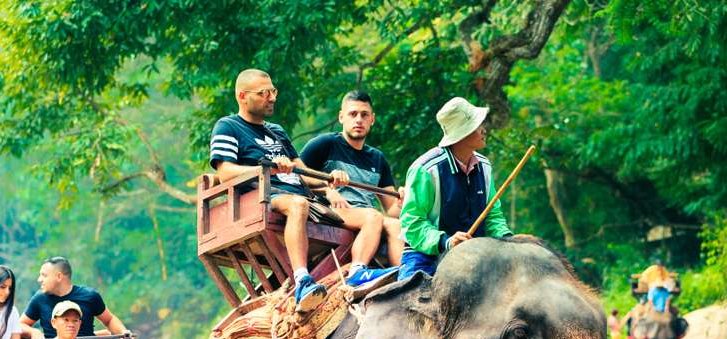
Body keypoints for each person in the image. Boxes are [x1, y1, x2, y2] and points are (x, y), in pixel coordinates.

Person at [209, 69, 385, 312]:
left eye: (273, 91)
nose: (272, 98)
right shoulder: (228, 126)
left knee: (372, 216)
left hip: (307, 201)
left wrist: (330, 179)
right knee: (297, 204)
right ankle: (302, 279)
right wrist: (268, 168)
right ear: (242, 96)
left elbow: (303, 173)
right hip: (263, 197)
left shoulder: (276, 131)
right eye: (263, 93)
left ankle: (357, 272)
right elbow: (225, 172)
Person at [398, 97, 514, 280]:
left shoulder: (485, 166)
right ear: (462, 134)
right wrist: (446, 241)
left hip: (475, 256)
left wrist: (508, 239)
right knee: (411, 295)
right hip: (427, 256)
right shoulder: (425, 169)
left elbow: (493, 215)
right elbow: (412, 222)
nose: (484, 129)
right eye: (477, 125)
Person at [300, 90, 404, 278]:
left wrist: (405, 200)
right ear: (341, 117)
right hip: (331, 212)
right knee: (373, 216)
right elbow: (297, 176)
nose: (359, 120)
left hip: (367, 216)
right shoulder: (324, 144)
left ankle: (405, 279)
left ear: (372, 119)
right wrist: (327, 187)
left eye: (364, 115)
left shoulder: (377, 158)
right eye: (353, 114)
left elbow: (391, 209)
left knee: (396, 225)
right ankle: (357, 271)